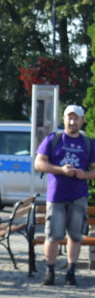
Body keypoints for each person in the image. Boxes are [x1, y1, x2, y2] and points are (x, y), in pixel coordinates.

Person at [34, 104, 95, 286]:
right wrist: (60, 169)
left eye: (76, 118)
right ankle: (50, 272)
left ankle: (71, 271)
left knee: (75, 236)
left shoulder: (88, 143)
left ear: (82, 121)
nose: (72, 121)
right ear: (64, 119)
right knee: (53, 235)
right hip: (56, 195)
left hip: (79, 196)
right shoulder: (54, 139)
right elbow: (39, 163)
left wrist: (84, 174)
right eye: (69, 117)